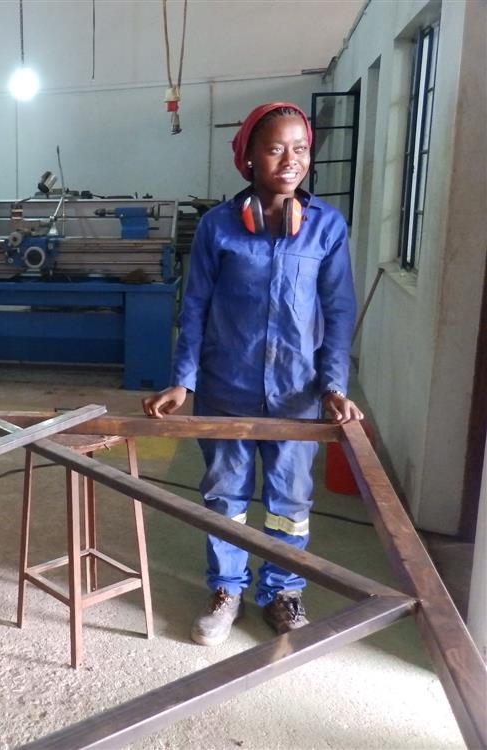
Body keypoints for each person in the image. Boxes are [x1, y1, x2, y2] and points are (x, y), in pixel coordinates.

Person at [142, 102, 364, 646]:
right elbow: (193, 307)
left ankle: (284, 591)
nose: (291, 160)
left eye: (301, 149)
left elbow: (337, 312)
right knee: (226, 496)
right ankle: (226, 589)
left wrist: (334, 385)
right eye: (275, 148)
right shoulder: (218, 228)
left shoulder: (326, 228)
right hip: (227, 388)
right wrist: (183, 380)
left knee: (290, 499)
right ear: (249, 159)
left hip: (296, 392)